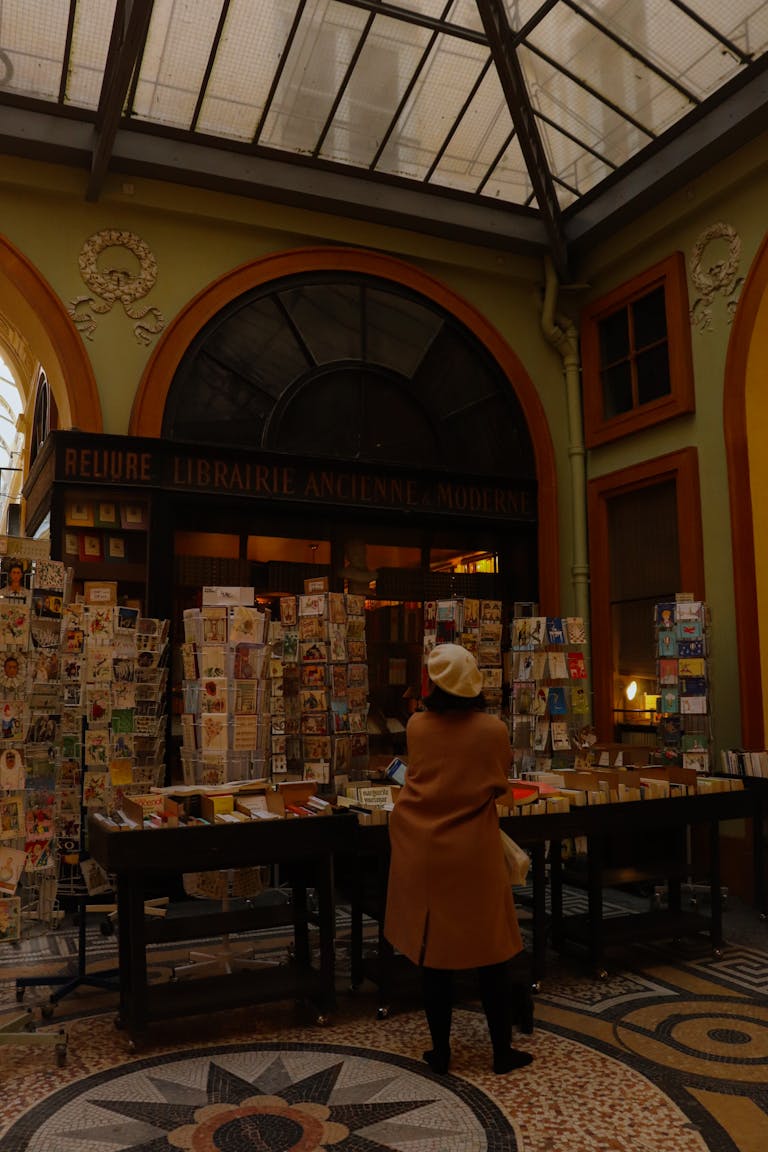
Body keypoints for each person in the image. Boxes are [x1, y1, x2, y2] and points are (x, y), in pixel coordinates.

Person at [384, 643, 533, 1076]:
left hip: (426, 850)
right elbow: (499, 784)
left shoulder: (417, 726)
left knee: (435, 957)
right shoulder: (492, 730)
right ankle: (501, 1052)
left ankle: (441, 1052)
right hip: (474, 851)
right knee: (492, 953)